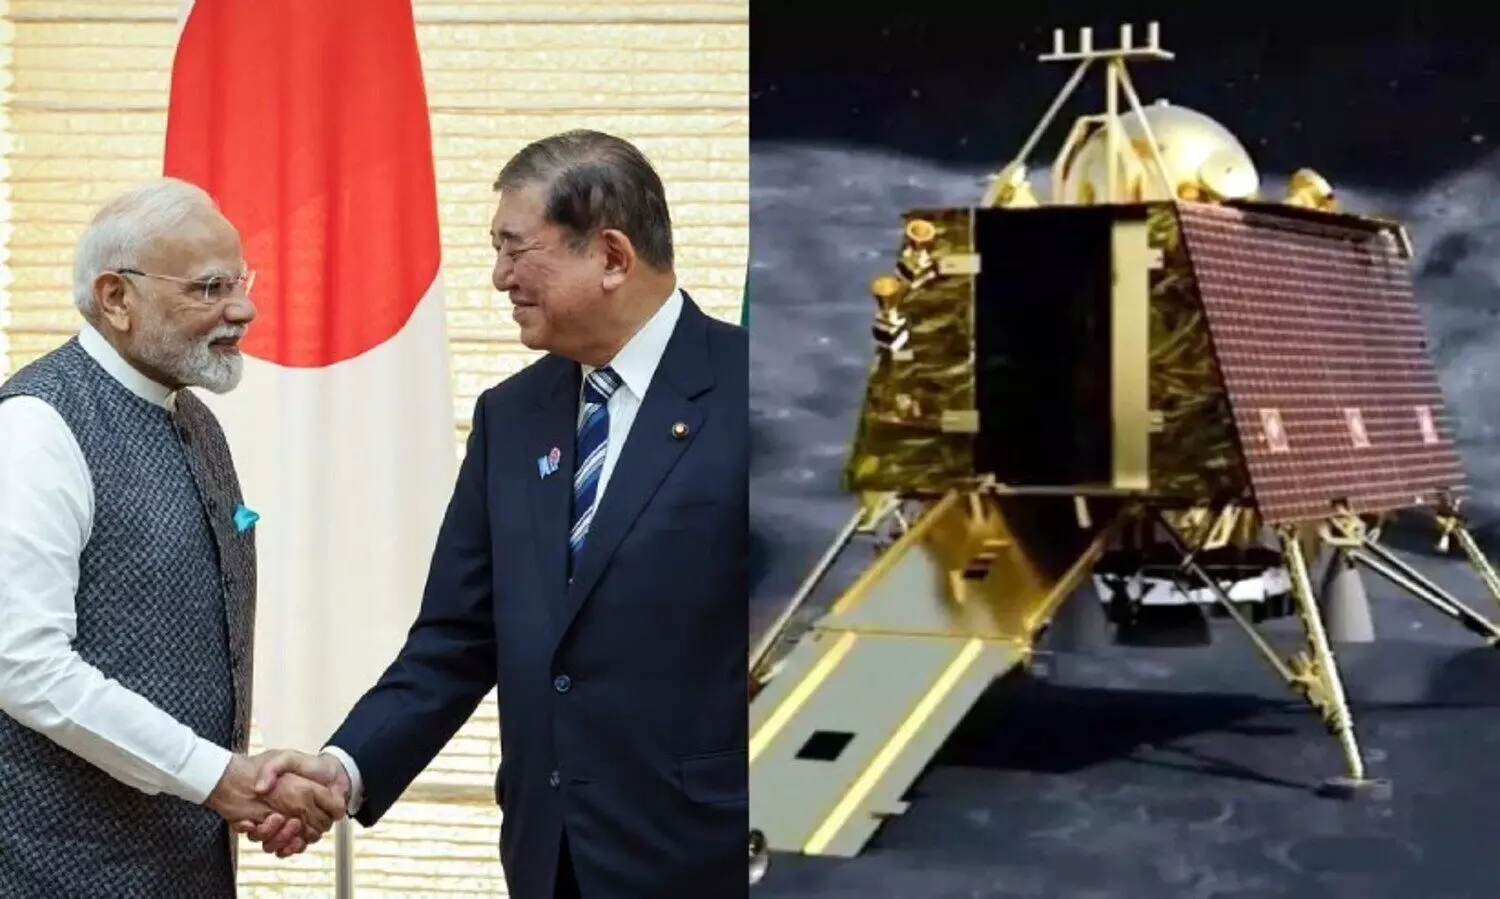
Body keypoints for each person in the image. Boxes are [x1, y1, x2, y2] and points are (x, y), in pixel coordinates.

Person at [243, 130, 749, 898]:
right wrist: (345, 766)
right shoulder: (512, 416)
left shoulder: (752, 392)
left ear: (612, 256)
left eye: (518, 249)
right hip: (550, 858)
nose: (498, 277)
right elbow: (457, 635)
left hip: (708, 853)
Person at [0, 178, 345, 898]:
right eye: (209, 287)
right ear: (115, 298)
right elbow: (24, 665)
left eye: (241, 281)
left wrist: (240, 786)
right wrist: (221, 776)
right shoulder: (36, 428)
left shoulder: (195, 420)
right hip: (59, 872)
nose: (243, 308)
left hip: (189, 866)